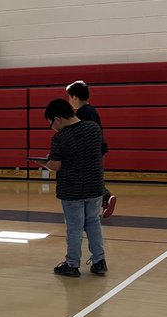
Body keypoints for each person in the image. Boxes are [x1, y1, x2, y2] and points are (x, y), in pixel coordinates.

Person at [43, 97, 107, 278]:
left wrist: (45, 163)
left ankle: (72, 264)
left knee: (74, 227)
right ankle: (99, 261)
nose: (53, 128)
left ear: (58, 119)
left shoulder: (60, 137)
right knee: (93, 222)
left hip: (72, 190)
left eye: (51, 124)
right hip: (94, 186)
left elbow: (56, 165)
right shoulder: (94, 128)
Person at [65, 80, 116, 219]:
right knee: (93, 176)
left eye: (70, 97)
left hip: (91, 151)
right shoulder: (91, 110)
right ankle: (103, 198)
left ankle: (104, 197)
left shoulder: (83, 113)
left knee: (89, 178)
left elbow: (83, 135)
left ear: (75, 97)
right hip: (97, 149)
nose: (69, 100)